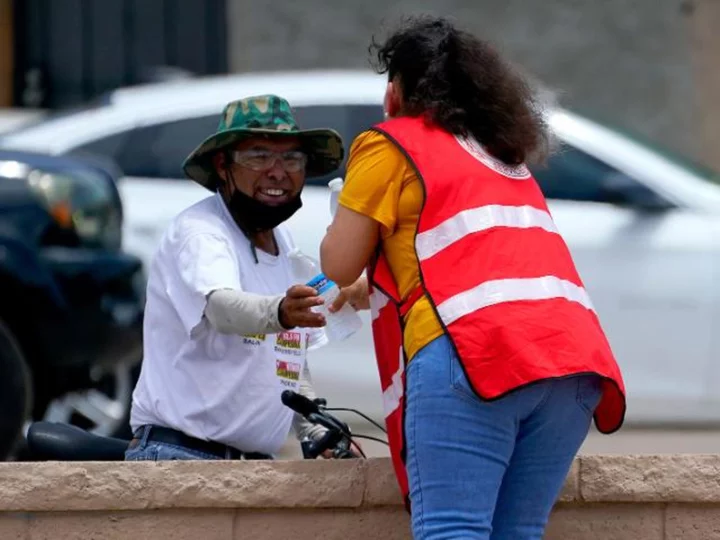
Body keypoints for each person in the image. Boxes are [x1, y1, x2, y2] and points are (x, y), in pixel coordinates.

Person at [320, 15, 627, 539]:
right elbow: (466, 259)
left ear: (396, 90)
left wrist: (346, 211)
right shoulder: (500, 152)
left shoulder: (390, 142)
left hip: (476, 356)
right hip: (573, 365)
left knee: (452, 529)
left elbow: (338, 264)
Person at [125, 94, 347, 461]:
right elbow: (223, 309)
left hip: (246, 464)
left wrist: (314, 427)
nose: (278, 171)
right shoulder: (202, 232)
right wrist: (280, 312)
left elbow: (287, 354)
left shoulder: (281, 241)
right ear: (223, 165)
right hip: (180, 456)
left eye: (292, 158)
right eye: (259, 156)